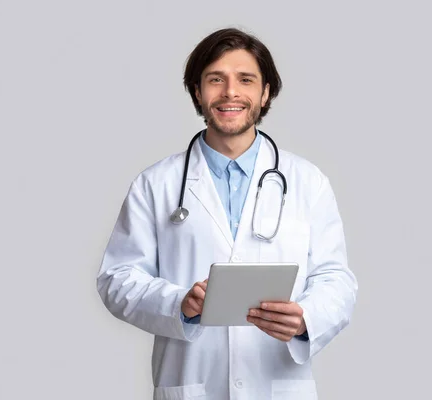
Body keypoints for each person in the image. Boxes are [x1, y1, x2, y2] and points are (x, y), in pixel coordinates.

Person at [96, 27, 358, 400]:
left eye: (245, 80)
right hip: (192, 382)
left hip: (277, 384)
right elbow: (116, 278)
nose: (230, 92)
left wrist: (306, 318)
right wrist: (177, 303)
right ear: (198, 92)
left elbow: (336, 278)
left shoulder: (307, 181)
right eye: (215, 79)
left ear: (265, 92)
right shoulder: (156, 184)